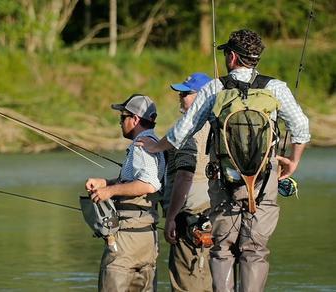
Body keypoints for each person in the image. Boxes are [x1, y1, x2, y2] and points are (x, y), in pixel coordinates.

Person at [137, 29, 310, 291]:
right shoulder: (275, 87)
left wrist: (154, 146)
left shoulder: (215, 88)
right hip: (264, 183)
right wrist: (293, 161)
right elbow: (301, 128)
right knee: (255, 250)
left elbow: (183, 131)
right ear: (255, 59)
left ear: (231, 56)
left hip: (224, 182)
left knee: (223, 249)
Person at [85, 94, 166, 291]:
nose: (120, 123)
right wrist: (104, 183)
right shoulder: (155, 143)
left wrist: (110, 191)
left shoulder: (141, 146)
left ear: (135, 119)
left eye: (123, 118)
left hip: (128, 241)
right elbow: (137, 180)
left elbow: (148, 184)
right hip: (147, 240)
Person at [163, 73, 213, 292]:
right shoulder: (223, 126)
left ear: (202, 96)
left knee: (185, 285)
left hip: (190, 219)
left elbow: (185, 175)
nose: (180, 97)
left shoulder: (187, 129)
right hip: (220, 219)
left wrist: (171, 217)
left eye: (186, 93)